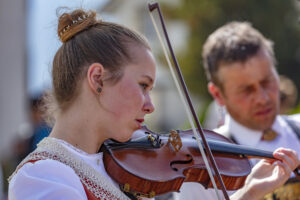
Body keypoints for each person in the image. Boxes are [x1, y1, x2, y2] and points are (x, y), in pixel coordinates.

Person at [8, 10, 299, 200]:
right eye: (143, 86)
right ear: (97, 79)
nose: (150, 106)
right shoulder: (43, 177)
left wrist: (249, 192)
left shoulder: (117, 163)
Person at [178, 21, 300, 199]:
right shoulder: (201, 167)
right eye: (246, 90)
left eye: (267, 81)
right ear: (218, 94)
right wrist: (247, 195)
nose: (262, 98)